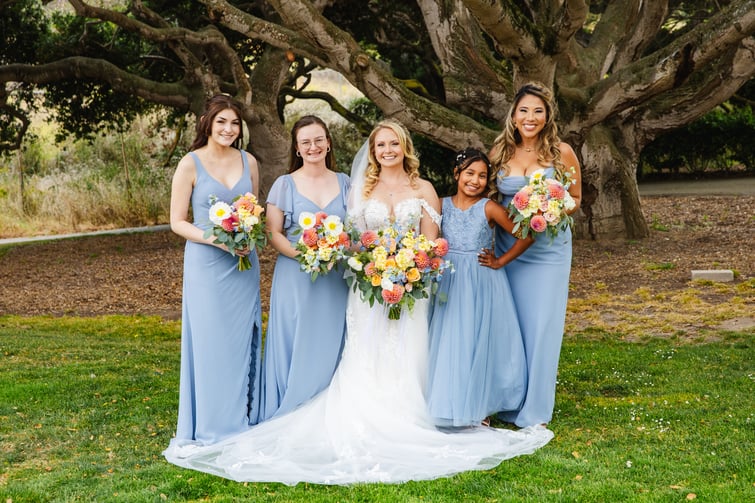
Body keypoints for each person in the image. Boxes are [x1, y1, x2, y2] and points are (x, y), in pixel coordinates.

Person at [162, 120, 553, 485]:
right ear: (372, 149)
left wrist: (410, 268)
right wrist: (376, 269)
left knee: (410, 351)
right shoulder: (360, 189)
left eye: (393, 144)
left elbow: (434, 241)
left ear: (405, 147)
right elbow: (353, 239)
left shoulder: (424, 189)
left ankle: (414, 414)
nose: (387, 150)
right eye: (380, 144)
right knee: (366, 354)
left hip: (412, 287)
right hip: (369, 288)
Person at [164, 94, 263, 450]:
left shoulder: (248, 161)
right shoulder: (189, 165)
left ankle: (242, 417)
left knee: (240, 340)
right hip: (206, 265)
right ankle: (211, 424)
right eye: (222, 121)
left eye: (235, 123)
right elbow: (177, 222)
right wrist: (217, 240)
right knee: (210, 343)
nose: (229, 129)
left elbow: (255, 209)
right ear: (207, 122)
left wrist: (247, 233)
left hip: (243, 264)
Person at [484, 81, 582, 428]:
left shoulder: (562, 153)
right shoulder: (499, 154)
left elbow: (576, 199)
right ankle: (504, 399)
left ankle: (535, 410)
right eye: (524, 110)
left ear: (548, 115)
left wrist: (550, 210)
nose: (530, 117)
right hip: (507, 248)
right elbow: (489, 199)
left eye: (538, 111)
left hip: (548, 252)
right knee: (508, 324)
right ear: (513, 115)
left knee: (542, 326)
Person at [427, 148, 533, 428]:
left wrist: (500, 261)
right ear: (456, 174)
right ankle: (449, 400)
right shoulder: (440, 204)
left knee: (476, 340)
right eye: (469, 174)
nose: (475, 180)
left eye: (483, 176)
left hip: (480, 281)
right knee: (450, 340)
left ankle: (480, 404)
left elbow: (526, 235)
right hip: (448, 279)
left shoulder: (489, 207)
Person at [257, 115, 350, 422]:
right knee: (296, 339)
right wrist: (309, 255)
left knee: (333, 337)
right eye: (306, 142)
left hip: (335, 278)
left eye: (318, 140)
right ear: (297, 148)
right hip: (297, 276)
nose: (313, 147)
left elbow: (354, 228)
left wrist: (334, 252)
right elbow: (274, 233)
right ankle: (292, 407)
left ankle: (330, 409)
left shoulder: (345, 182)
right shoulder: (285, 184)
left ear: (328, 142)